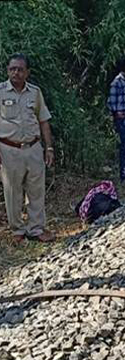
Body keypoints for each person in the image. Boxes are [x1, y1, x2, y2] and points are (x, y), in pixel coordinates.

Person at [0, 54, 55, 243]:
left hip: (33, 148)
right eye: (12, 69)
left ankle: (36, 229)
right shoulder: (1, 92)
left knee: (36, 191)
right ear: (8, 71)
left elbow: (43, 120)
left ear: (27, 72)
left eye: (20, 69)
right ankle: (17, 230)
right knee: (12, 191)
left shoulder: (35, 92)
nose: (16, 72)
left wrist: (49, 148)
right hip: (9, 149)